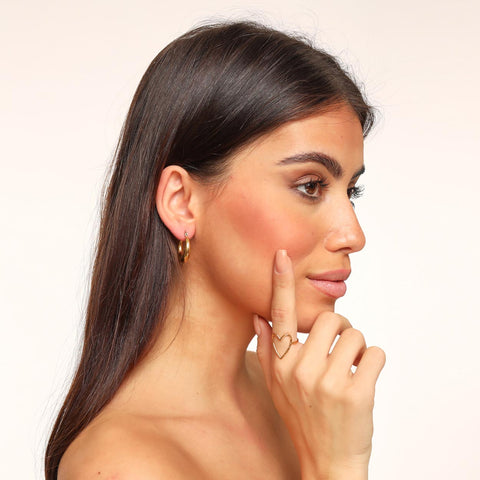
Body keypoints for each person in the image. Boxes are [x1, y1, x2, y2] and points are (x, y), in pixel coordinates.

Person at [45, 20, 386, 480]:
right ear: (182, 203)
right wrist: (336, 466)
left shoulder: (303, 398)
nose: (353, 235)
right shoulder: (123, 465)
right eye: (310, 185)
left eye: (351, 191)